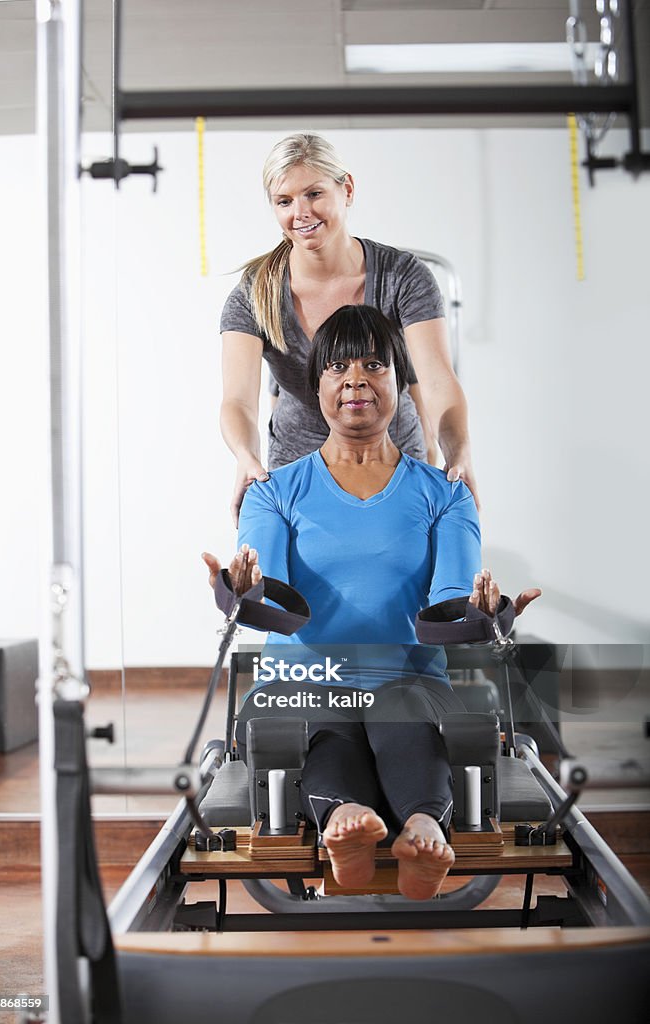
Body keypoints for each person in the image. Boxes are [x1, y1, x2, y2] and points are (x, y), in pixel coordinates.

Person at [204, 306, 539, 899]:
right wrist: (240, 591)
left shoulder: (446, 495)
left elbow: (446, 616)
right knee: (329, 723)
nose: (355, 379)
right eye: (337, 367)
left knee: (399, 714)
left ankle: (413, 828)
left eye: (373, 365)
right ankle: (353, 826)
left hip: (406, 678)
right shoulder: (273, 493)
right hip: (306, 678)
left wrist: (489, 616)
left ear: (400, 386)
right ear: (315, 387)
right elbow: (281, 610)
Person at [220, 132, 479, 525]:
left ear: (347, 189)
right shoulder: (255, 294)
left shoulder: (402, 277)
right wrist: (245, 456)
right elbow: (238, 400)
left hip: (394, 458)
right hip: (299, 467)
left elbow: (439, 381)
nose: (301, 213)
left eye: (314, 194)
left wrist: (459, 453)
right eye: (284, 201)